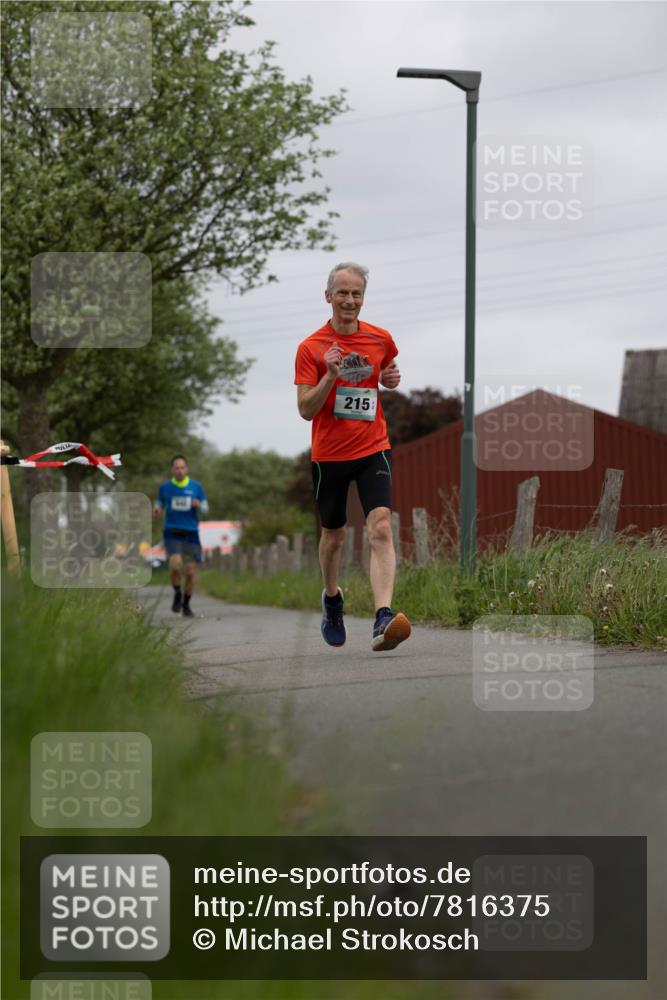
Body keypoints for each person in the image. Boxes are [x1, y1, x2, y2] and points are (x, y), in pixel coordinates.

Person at [294, 262, 411, 652]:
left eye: (356, 293)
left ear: (363, 298)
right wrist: (329, 375)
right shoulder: (310, 347)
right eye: (342, 292)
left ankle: (382, 616)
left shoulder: (381, 338)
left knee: (380, 526)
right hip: (329, 456)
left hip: (373, 446)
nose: (349, 300)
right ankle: (332, 599)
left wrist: (389, 378)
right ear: (328, 297)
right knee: (334, 536)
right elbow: (305, 410)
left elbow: (387, 369)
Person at [153, 454, 208, 618]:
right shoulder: (165, 487)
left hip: (191, 532)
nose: (179, 470)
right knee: (175, 565)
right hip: (172, 531)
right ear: (172, 470)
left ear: (187, 469)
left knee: (190, 572)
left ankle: (186, 604)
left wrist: (199, 505)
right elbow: (159, 503)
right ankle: (177, 592)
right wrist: (157, 509)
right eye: (176, 468)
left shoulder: (196, 486)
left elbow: (206, 507)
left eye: (182, 467)